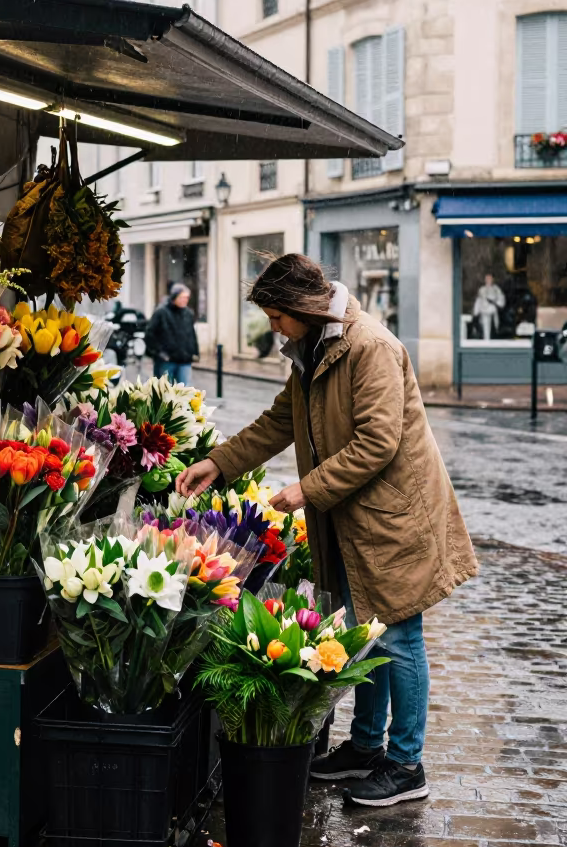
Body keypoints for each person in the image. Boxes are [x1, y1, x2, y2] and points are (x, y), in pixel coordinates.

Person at [176, 254, 477, 808]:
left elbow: (377, 443)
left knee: (400, 639)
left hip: (392, 518)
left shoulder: (371, 347)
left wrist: (304, 491)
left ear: (304, 309)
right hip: (348, 516)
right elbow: (279, 421)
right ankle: (365, 748)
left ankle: (407, 765)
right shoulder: (310, 350)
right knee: (365, 634)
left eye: (277, 317)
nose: (273, 328)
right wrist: (219, 462)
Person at [145, 282, 199, 384]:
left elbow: (191, 334)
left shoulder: (188, 313)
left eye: (187, 298)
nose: (185, 300)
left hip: (184, 360)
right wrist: (160, 353)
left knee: (184, 391)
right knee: (164, 392)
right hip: (166, 361)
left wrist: (194, 352)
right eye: (182, 297)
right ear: (174, 297)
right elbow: (150, 334)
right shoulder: (161, 312)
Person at [472, 273, 505, 341]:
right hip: (484, 312)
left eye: (490, 278)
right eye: (487, 279)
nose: (488, 280)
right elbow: (479, 300)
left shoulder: (496, 289)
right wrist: (476, 312)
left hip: (493, 312)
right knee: (485, 330)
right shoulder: (482, 289)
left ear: (493, 279)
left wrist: (496, 303)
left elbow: (501, 300)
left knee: (493, 330)